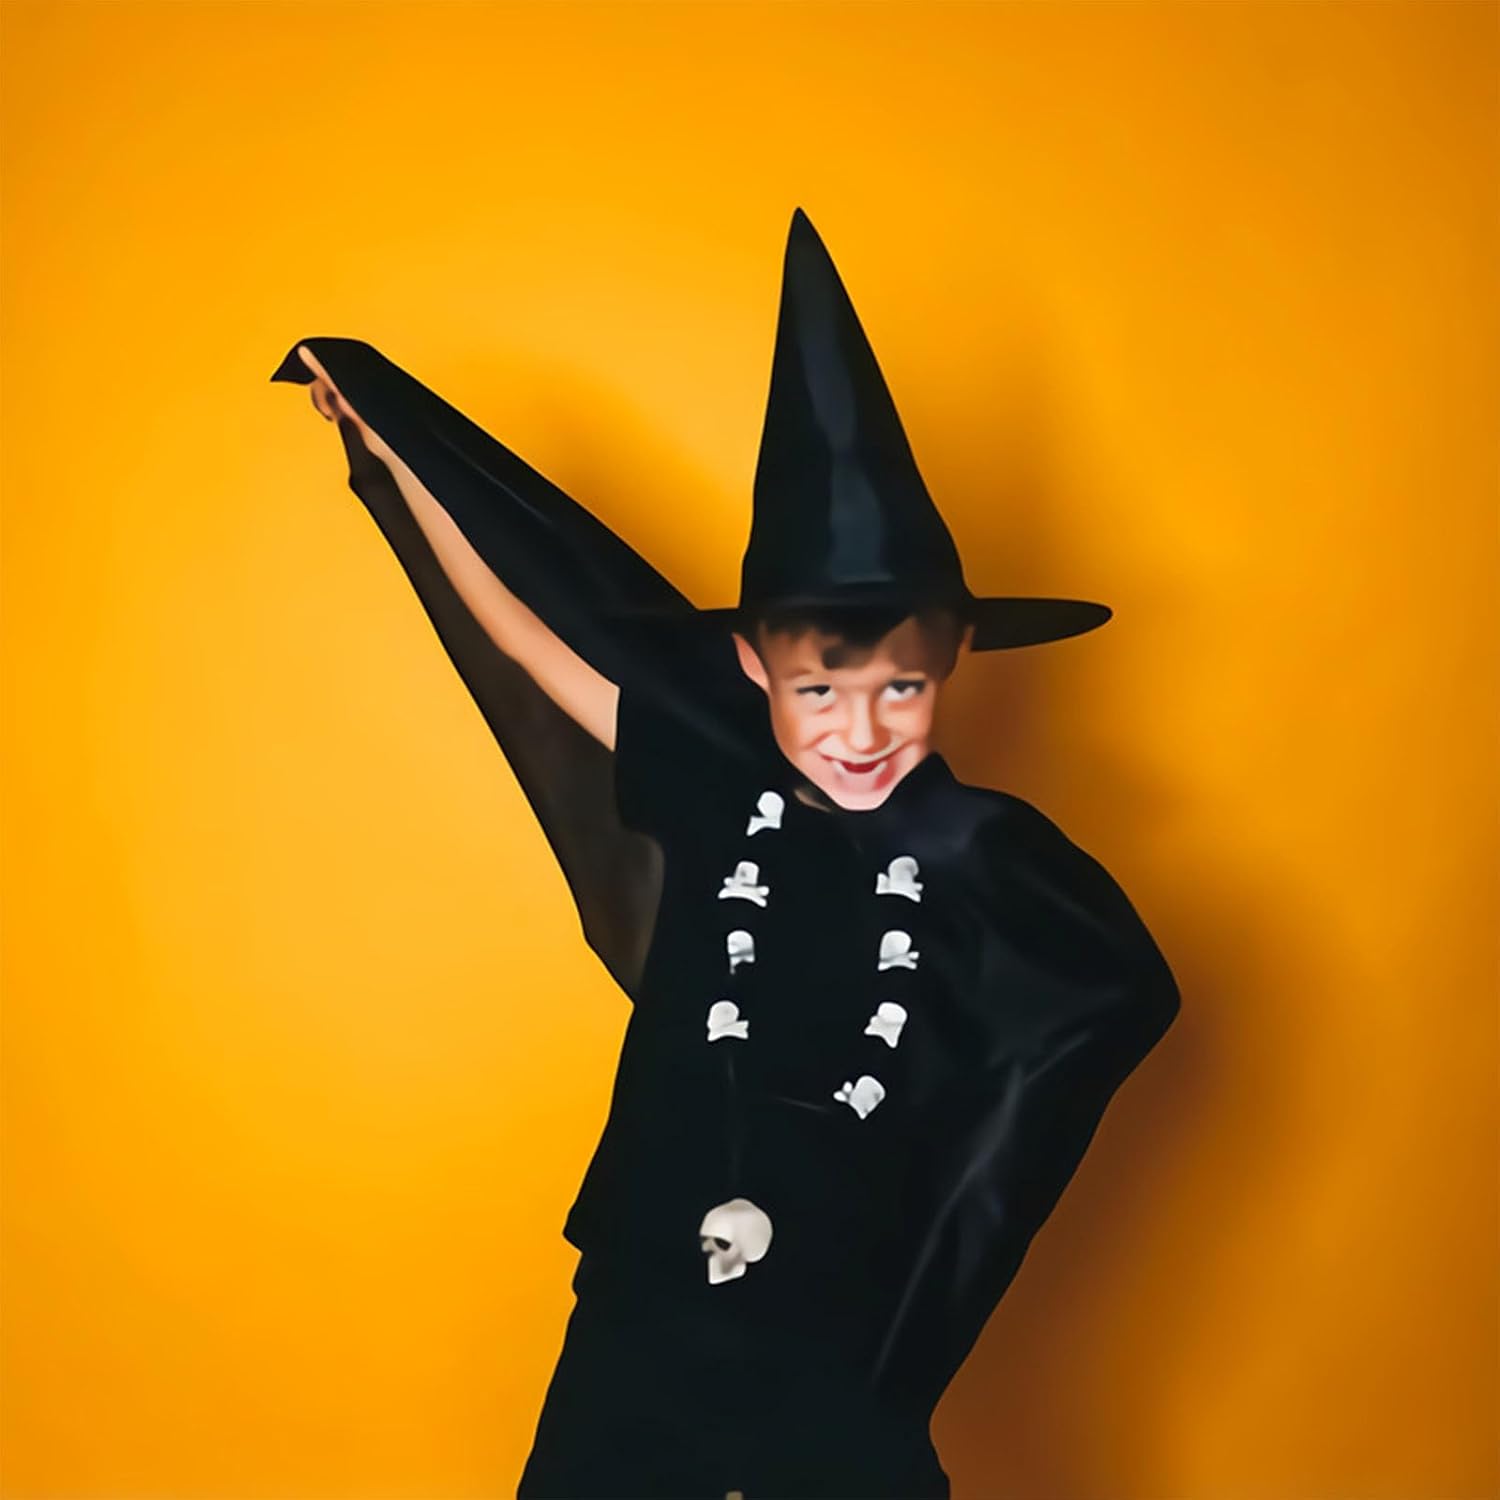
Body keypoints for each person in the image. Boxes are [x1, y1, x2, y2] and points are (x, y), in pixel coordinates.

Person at [272, 207, 1181, 1499]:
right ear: (754, 667)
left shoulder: (992, 855)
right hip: (648, 1265)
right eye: (819, 692)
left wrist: (951, 1159)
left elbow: (1116, 1002)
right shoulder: (711, 782)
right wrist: (390, 450)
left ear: (953, 662)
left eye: (902, 688)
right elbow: (527, 633)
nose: (861, 732)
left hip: (839, 1303)